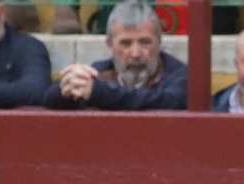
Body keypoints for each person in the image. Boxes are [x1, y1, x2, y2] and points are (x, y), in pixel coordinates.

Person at [43, 1, 187, 111]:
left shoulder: (181, 76)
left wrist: (100, 93)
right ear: (110, 45)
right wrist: (67, 88)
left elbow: (167, 102)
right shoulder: (102, 71)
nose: (135, 53)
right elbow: (49, 100)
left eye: (144, 42)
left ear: (159, 43)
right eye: (126, 43)